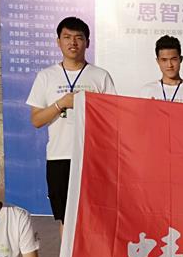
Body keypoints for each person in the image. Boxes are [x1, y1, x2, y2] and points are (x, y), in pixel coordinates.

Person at [26, 17, 116, 227]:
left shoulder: (100, 76)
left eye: (79, 38)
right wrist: (62, 104)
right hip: (60, 156)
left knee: (96, 217)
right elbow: (37, 120)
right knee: (65, 219)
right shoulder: (46, 76)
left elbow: (112, 118)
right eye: (67, 37)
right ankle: (66, 252)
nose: (73, 42)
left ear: (87, 42)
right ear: (58, 42)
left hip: (93, 157)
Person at [138, 35, 183, 104]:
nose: (169, 65)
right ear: (158, 61)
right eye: (164, 60)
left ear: (181, 59)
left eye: (174, 59)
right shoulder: (147, 91)